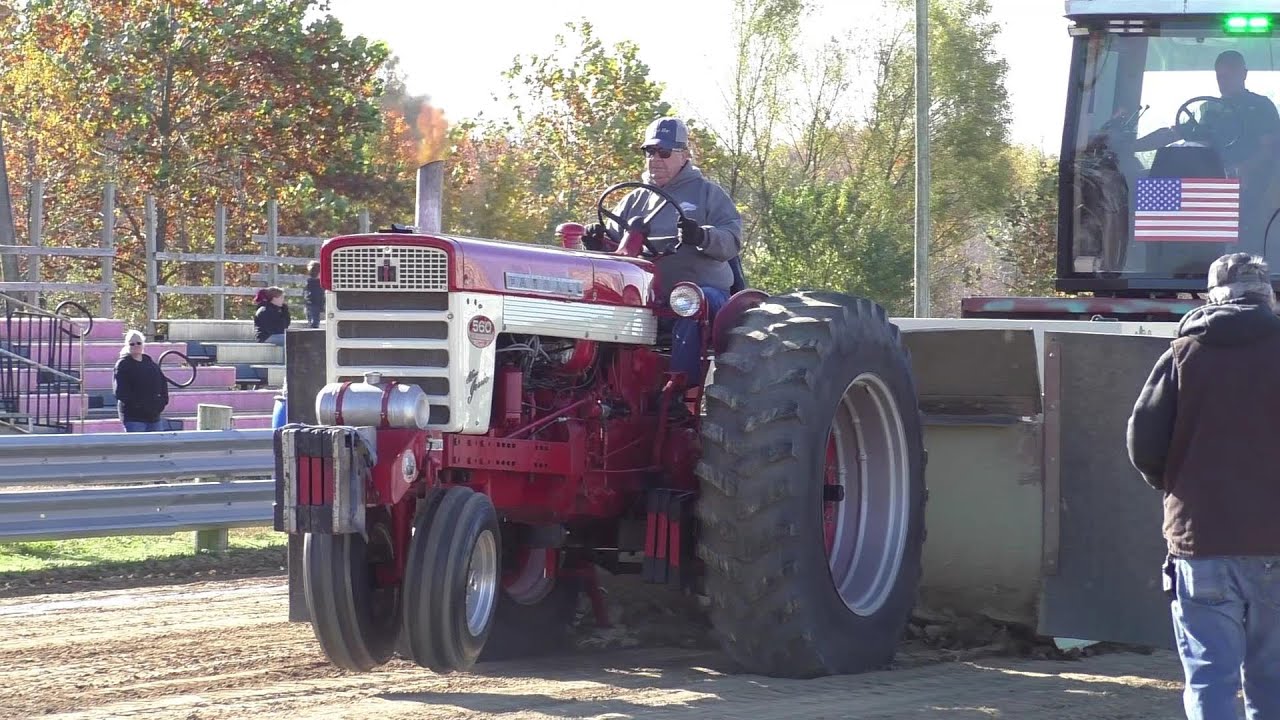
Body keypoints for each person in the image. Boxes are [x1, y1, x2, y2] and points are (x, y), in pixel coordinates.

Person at [1127, 252, 1280, 720]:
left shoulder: (1181, 355)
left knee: (1210, 677)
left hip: (1201, 539)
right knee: (1274, 677)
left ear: (1212, 298)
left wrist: (1177, 488)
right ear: (1267, 296)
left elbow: (1143, 442)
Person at [582, 116, 744, 391]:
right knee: (598, 302)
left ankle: (680, 389)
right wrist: (596, 240)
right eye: (649, 151)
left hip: (702, 295)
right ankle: (597, 387)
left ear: (684, 154)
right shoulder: (635, 199)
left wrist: (701, 236)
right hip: (646, 297)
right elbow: (616, 246)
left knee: (688, 301)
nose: (655, 159)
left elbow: (732, 239)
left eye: (664, 152)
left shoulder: (707, 194)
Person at [113, 330, 169, 432]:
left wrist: (161, 403)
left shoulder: (151, 364)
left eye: (139, 343)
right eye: (132, 344)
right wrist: (138, 406)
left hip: (154, 417)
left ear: (143, 344)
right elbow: (120, 392)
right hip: (134, 418)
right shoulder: (123, 365)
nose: (136, 345)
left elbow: (163, 385)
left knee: (157, 442)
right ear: (127, 345)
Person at [303, 261, 325, 329]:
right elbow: (320, 297)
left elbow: (305, 293)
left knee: (311, 321)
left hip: (309, 304)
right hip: (315, 305)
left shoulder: (308, 282)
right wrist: (322, 308)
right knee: (315, 323)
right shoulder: (320, 284)